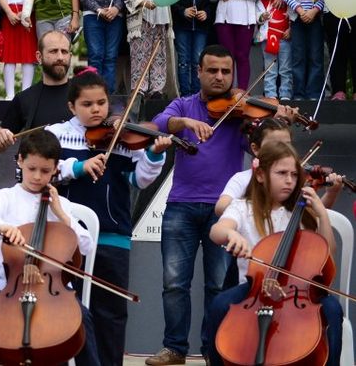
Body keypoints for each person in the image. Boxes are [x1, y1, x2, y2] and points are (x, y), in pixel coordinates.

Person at [147, 45, 297, 365]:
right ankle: (174, 348)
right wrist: (185, 121)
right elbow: (159, 123)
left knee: (217, 286)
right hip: (181, 205)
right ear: (199, 72)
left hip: (225, 211)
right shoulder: (183, 105)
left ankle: (212, 348)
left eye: (225, 72)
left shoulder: (241, 116)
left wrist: (279, 119)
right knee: (174, 283)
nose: (219, 77)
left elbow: (266, 152)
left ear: (233, 74)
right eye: (212, 70)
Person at [47, 68, 170, 366]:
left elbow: (140, 180)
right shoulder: (56, 134)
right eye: (87, 105)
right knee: (67, 309)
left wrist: (153, 155)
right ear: (71, 107)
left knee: (111, 313)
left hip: (114, 236)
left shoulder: (123, 138)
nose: (96, 110)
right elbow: (43, 171)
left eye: (101, 103)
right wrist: (77, 167)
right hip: (67, 238)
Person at [0, 129, 98, 366]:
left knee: (84, 319)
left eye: (45, 171)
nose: (38, 177)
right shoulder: (5, 197)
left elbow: (87, 245)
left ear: (55, 169)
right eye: (32, 169)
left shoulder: (62, 205)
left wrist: (61, 215)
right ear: (20, 160)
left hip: (55, 293)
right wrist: (2, 227)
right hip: (5, 287)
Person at [203, 141, 342, 366]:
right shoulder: (242, 208)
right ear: (260, 175)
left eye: (294, 175)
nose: (289, 180)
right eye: (281, 173)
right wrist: (231, 234)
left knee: (333, 309)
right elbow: (217, 231)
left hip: (297, 293)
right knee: (219, 304)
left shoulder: (300, 212)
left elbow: (328, 253)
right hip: (253, 290)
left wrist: (322, 215)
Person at [215, 117, 343, 216]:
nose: (282, 150)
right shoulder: (242, 179)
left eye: (287, 144)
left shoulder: (293, 180)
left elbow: (314, 215)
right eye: (275, 144)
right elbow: (221, 207)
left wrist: (332, 193)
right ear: (255, 149)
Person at [0, 29, 73, 150]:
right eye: (53, 51)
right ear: (39, 57)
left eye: (64, 52)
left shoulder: (83, 94)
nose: (60, 57)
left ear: (70, 56)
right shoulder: (24, 99)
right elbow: (0, 145)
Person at [283, 0, 324, 100]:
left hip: (316, 19)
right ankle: (298, 94)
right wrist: (300, 11)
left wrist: (314, 11)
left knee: (316, 55)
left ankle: (314, 93)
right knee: (298, 56)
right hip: (298, 19)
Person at [173, 0, 215, 97]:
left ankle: (197, 95)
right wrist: (183, 11)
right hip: (182, 25)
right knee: (183, 60)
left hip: (201, 27)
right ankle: (185, 95)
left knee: (198, 60)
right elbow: (172, 1)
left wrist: (207, 13)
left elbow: (214, 1)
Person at [258, 0, 291, 100]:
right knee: (270, 69)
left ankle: (286, 95)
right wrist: (261, 17)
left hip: (284, 38)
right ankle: (271, 95)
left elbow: (293, 15)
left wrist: (291, 29)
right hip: (268, 38)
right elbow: (257, 18)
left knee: (285, 69)